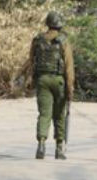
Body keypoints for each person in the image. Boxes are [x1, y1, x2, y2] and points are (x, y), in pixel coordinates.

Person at [30, 12, 74, 160]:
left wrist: (31, 80)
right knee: (59, 115)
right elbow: (69, 68)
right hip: (58, 81)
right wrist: (70, 89)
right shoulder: (63, 41)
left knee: (44, 114)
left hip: (42, 80)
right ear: (59, 25)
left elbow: (31, 62)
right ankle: (59, 149)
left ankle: (41, 145)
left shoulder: (37, 40)